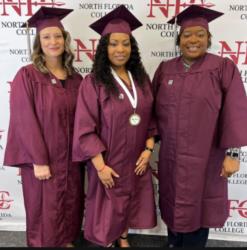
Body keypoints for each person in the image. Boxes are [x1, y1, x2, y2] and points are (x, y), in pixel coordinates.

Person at [152, 4, 247, 247]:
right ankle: (174, 243)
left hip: (207, 156)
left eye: (200, 34)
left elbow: (235, 111)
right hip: (171, 157)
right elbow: (151, 111)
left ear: (208, 38)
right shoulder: (165, 69)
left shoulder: (222, 68)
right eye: (187, 35)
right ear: (179, 38)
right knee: (173, 203)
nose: (193, 40)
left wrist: (234, 153)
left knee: (199, 207)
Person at [73, 5, 157, 248]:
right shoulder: (94, 83)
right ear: (104, 48)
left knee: (129, 202)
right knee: (107, 209)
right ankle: (108, 240)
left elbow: (151, 119)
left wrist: (148, 150)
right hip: (108, 160)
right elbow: (85, 128)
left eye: (126, 43)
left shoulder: (141, 80)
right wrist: (100, 167)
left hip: (136, 160)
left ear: (132, 48)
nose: (120, 49)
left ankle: (123, 236)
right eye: (113, 43)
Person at [4, 7, 84, 247]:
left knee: (70, 201)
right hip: (43, 159)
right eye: (47, 37)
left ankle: (66, 240)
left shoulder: (75, 78)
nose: (53, 41)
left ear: (65, 40)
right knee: (43, 207)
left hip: (71, 159)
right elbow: (23, 119)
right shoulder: (27, 75)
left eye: (58, 36)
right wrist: (38, 159)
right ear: (39, 42)